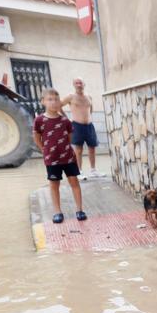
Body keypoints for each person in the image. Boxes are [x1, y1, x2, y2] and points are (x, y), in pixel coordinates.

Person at [33, 88, 87, 224]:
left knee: (74, 181)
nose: (54, 102)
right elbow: (37, 138)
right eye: (50, 99)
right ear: (43, 102)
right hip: (52, 160)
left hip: (68, 158)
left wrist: (64, 149)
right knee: (54, 184)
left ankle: (79, 209)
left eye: (56, 99)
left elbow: (68, 138)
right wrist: (45, 151)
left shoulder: (65, 121)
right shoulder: (39, 120)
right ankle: (57, 212)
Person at [61, 77, 103, 179]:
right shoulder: (71, 96)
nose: (79, 84)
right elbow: (59, 106)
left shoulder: (89, 96)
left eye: (80, 83)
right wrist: (67, 119)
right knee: (78, 150)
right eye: (76, 83)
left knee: (92, 148)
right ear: (74, 85)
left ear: (84, 84)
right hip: (77, 125)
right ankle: (79, 171)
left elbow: (90, 109)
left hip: (89, 125)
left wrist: (88, 118)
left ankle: (93, 171)